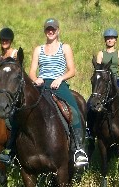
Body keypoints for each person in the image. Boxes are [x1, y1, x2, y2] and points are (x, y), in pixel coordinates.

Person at [29, 18, 88, 168]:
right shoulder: (38, 49)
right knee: (23, 108)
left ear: (58, 31)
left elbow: (72, 70)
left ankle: (79, 149)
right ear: (45, 31)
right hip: (41, 84)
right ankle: (12, 148)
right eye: (48, 29)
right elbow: (31, 71)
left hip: (58, 84)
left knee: (73, 110)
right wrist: (36, 79)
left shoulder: (65, 47)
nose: (50, 31)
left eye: (53, 29)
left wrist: (60, 78)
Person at [0, 27, 18, 164]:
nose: (5, 41)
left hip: (13, 89)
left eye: (7, 40)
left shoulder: (14, 53)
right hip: (3, 88)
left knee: (12, 119)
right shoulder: (1, 55)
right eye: (3, 40)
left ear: (11, 41)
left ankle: (12, 148)